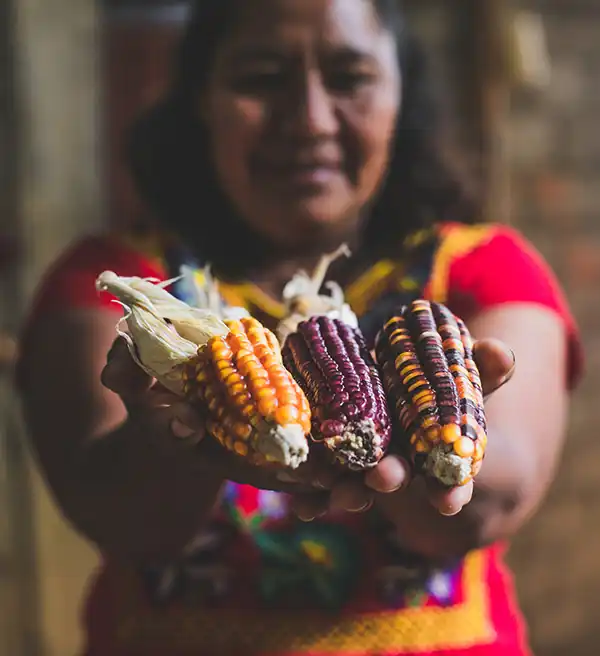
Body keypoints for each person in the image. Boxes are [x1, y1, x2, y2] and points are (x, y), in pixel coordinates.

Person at [17, 0, 582, 655]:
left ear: (400, 92)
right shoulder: (119, 281)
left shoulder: (485, 269)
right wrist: (169, 436)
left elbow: (490, 503)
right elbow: (111, 512)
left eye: (349, 78)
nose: (309, 120)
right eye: (261, 78)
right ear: (202, 97)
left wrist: (420, 443)